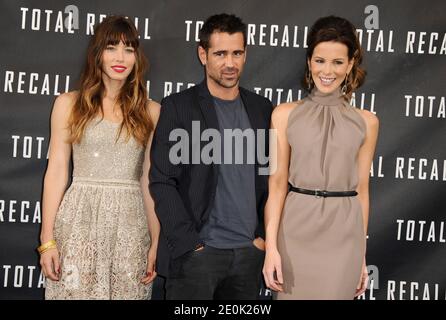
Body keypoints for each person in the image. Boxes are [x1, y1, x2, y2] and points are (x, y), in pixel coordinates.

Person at [149, 13, 272, 300]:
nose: (230, 63)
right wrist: (188, 243)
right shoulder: (179, 107)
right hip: (197, 257)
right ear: (203, 54)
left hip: (248, 256)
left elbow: (273, 178)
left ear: (246, 54)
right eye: (220, 53)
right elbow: (162, 180)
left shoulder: (263, 110)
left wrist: (263, 237)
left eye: (237, 53)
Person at [38, 15, 161, 300]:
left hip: (130, 227)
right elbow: (57, 171)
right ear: (97, 54)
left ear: (137, 57)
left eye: (129, 49)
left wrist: (155, 241)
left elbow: (148, 180)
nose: (121, 57)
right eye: (111, 48)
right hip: (78, 222)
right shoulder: (68, 104)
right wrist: (47, 240)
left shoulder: (151, 112)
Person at [262, 15, 379, 300]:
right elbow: (276, 186)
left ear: (351, 63)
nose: (328, 71)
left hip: (344, 237)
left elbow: (362, 191)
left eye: (338, 62)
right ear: (309, 61)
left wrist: (361, 255)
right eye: (320, 60)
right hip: (295, 231)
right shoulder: (283, 115)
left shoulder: (367, 122)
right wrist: (271, 249)